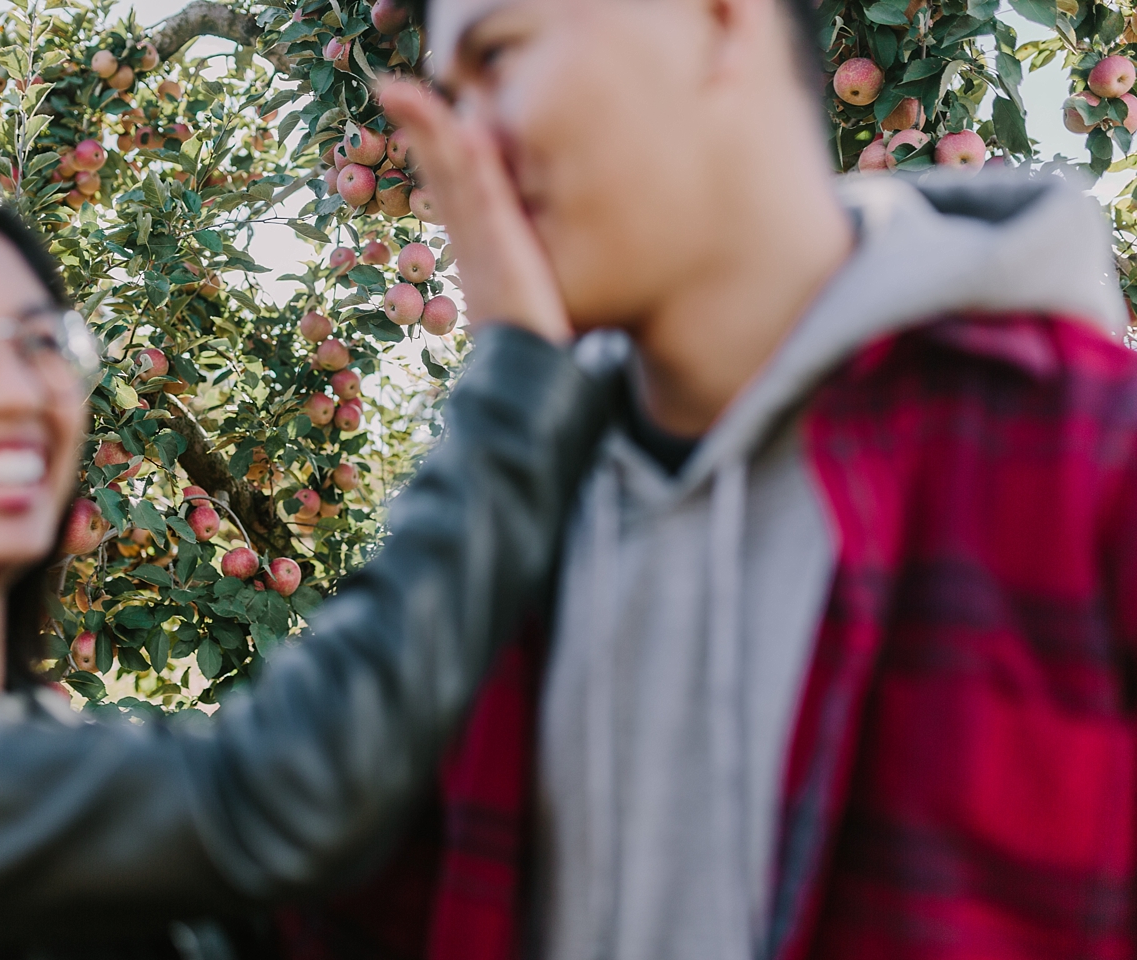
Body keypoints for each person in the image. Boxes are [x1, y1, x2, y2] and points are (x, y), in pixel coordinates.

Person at [277, 0, 1137, 958]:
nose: (462, 157)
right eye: (452, 93)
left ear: (720, 22)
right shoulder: (498, 535)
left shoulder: (1091, 470)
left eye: (501, 56)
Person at [0, 158, 610, 958]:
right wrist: (524, 382)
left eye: (40, 341)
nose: (16, 390)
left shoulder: (44, 759)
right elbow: (278, 795)